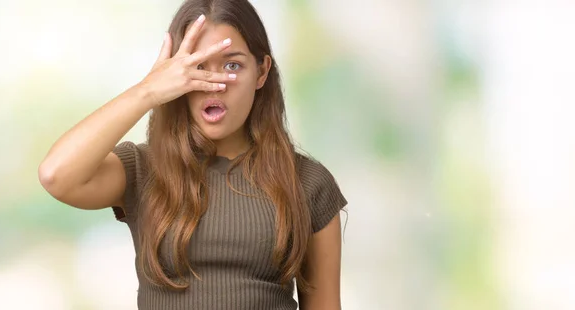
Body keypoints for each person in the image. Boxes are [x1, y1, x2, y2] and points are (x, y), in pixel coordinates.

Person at [38, 0, 347, 309]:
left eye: (232, 65)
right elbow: (56, 175)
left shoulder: (308, 183)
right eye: (196, 68)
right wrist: (148, 91)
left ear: (262, 72)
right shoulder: (144, 170)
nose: (213, 85)